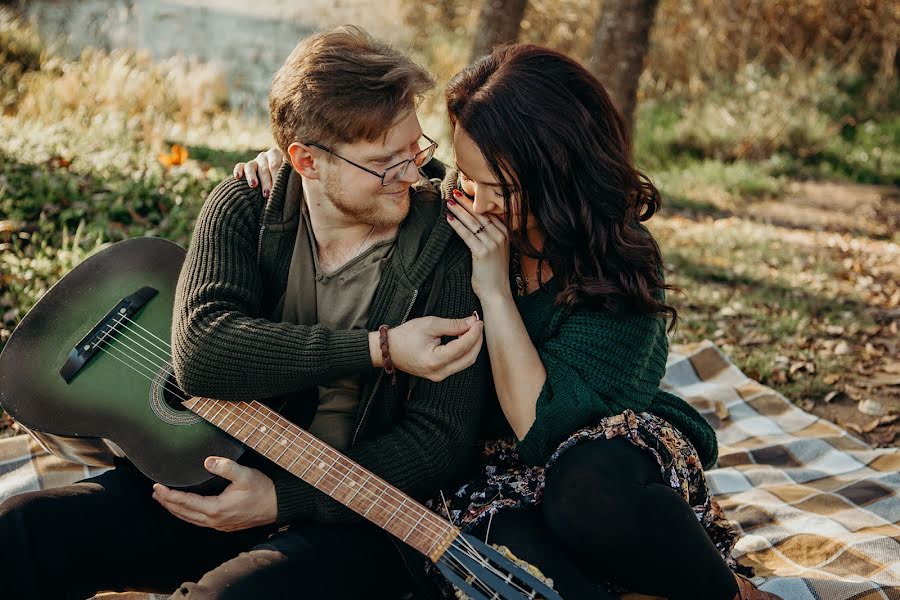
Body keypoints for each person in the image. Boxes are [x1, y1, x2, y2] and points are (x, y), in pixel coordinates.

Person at [237, 44, 783, 600]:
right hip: (494, 478)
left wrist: (494, 291)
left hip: (602, 466)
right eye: (466, 176)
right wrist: (289, 166)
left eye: (498, 187)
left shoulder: (615, 261)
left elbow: (544, 430)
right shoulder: (462, 201)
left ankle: (733, 594)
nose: (477, 200)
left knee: (582, 489)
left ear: (558, 172)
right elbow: (363, 167)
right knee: (493, 564)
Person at [0, 26, 491, 600]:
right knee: (22, 530)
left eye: (416, 150)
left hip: (352, 514)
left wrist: (281, 500)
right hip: (213, 470)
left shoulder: (445, 247)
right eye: (385, 164)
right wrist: (377, 347)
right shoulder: (244, 206)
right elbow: (203, 353)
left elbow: (440, 440)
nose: (411, 175)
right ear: (305, 159)